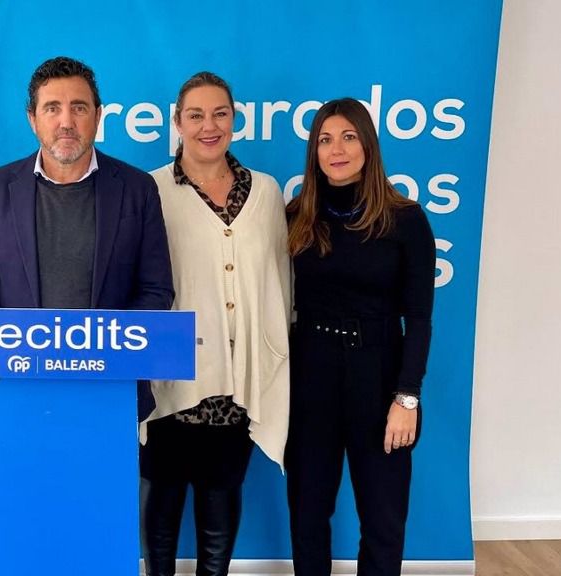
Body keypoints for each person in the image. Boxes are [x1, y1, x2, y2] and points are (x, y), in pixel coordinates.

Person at [140, 72, 291, 576]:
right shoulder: (151, 189)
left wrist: (273, 351)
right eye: (196, 115)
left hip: (238, 378)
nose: (209, 126)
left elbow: (279, 280)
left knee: (221, 495)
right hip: (172, 375)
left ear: (234, 119)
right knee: (162, 497)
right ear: (177, 122)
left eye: (220, 114)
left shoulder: (264, 191)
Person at [285, 97, 435, 576]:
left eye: (348, 137)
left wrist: (407, 397)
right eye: (325, 140)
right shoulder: (297, 216)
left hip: (379, 378)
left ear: (368, 145)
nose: (337, 150)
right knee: (308, 514)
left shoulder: (406, 219)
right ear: (314, 151)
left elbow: (420, 318)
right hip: (311, 378)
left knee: (383, 519)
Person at [0, 55, 173, 332]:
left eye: (79, 108)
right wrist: (11, 340)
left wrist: (110, 343)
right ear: (32, 119)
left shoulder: (138, 189)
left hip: (110, 358)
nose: (66, 122)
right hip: (17, 357)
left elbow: (156, 290)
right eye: (52, 108)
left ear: (98, 116)